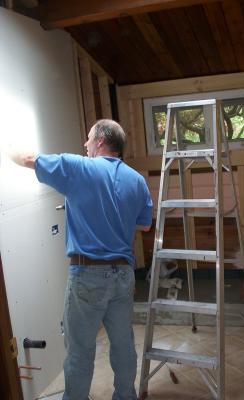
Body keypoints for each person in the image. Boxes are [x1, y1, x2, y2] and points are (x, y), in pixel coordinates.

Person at [8, 119, 153, 400]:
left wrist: (7, 147)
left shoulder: (79, 168)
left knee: (80, 351)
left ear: (100, 141)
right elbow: (145, 225)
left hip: (88, 275)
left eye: (88, 139)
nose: (85, 145)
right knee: (123, 345)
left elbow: (27, 158)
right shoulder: (137, 179)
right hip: (124, 275)